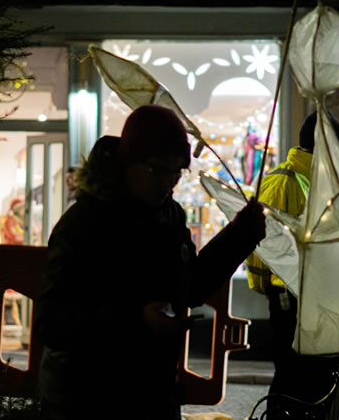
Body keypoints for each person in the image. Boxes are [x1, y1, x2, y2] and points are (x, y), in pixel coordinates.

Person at [33, 105, 267, 419]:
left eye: (177, 172)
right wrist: (135, 320)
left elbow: (189, 287)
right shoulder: (86, 222)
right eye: (158, 170)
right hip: (86, 398)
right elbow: (52, 321)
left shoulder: (169, 215)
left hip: (152, 392)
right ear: (128, 161)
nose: (168, 183)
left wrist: (239, 237)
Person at [244, 110, 339, 418]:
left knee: (317, 382)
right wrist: (268, 289)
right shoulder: (283, 182)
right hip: (292, 301)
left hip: (318, 300)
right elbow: (261, 245)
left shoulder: (318, 182)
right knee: (293, 383)